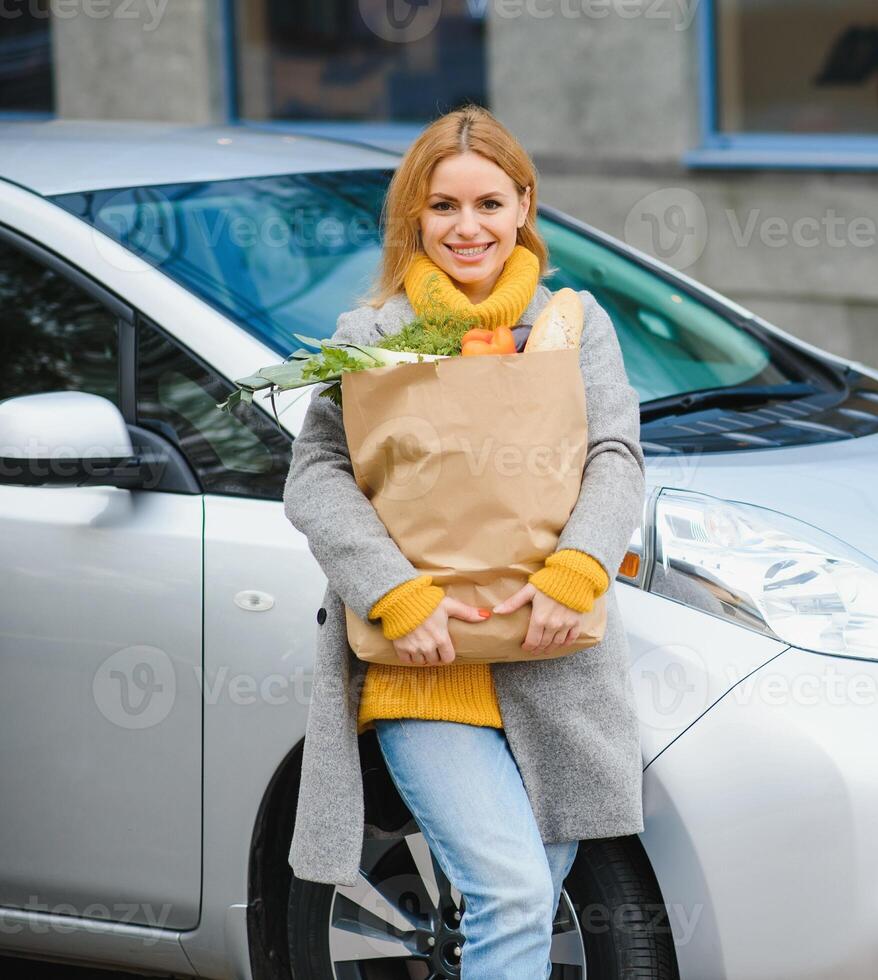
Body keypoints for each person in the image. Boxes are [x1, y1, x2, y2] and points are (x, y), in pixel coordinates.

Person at [282, 102, 646, 979]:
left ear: (524, 205)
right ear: (414, 217)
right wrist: (395, 595)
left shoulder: (573, 326)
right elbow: (316, 475)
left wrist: (576, 571)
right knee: (516, 898)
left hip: (551, 653)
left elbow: (616, 455)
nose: (467, 226)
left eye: (488, 203)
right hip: (423, 659)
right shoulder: (369, 338)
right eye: (443, 206)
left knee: (515, 904)